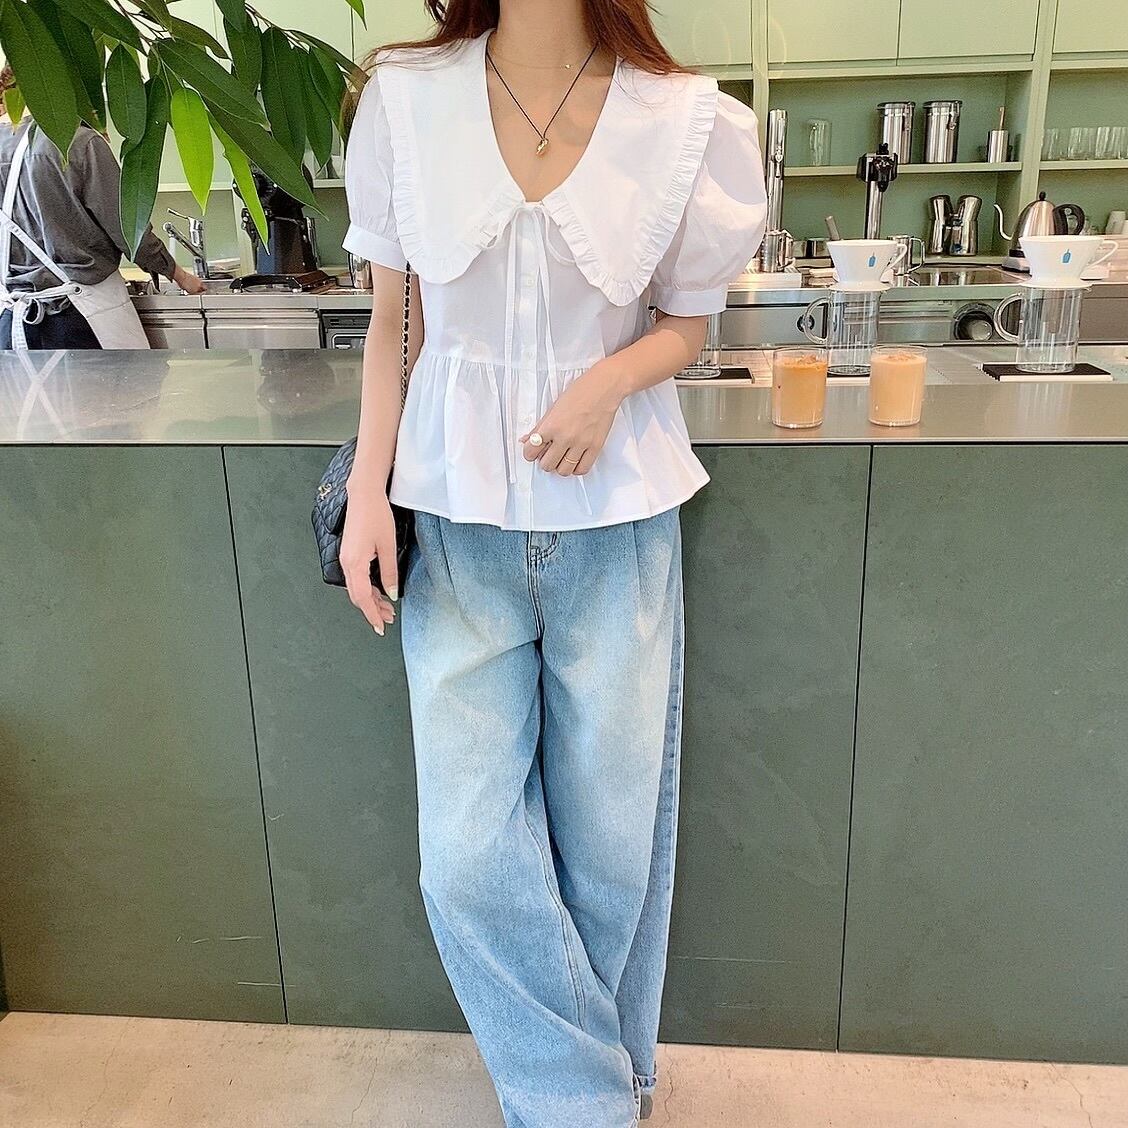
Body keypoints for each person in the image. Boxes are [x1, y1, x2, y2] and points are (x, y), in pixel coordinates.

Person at [341, 0, 766, 1123]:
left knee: (613, 848)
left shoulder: (685, 119)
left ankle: (588, 1093)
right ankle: (590, 1101)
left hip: (617, 521)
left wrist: (607, 383)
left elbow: (689, 324)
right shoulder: (404, 99)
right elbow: (391, 326)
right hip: (456, 526)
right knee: (466, 856)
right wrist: (369, 491)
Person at [0, 65, 204, 351]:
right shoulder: (77, 142)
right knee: (126, 383)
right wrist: (178, 274)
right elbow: (127, 227)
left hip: (13, 325)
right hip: (79, 320)